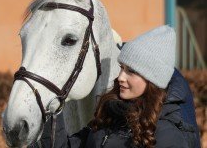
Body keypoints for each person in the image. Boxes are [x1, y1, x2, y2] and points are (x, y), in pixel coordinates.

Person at [40, 25, 198, 148]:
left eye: (131, 72)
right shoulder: (110, 117)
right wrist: (51, 110)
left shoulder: (167, 136)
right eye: (122, 68)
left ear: (152, 81)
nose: (121, 77)